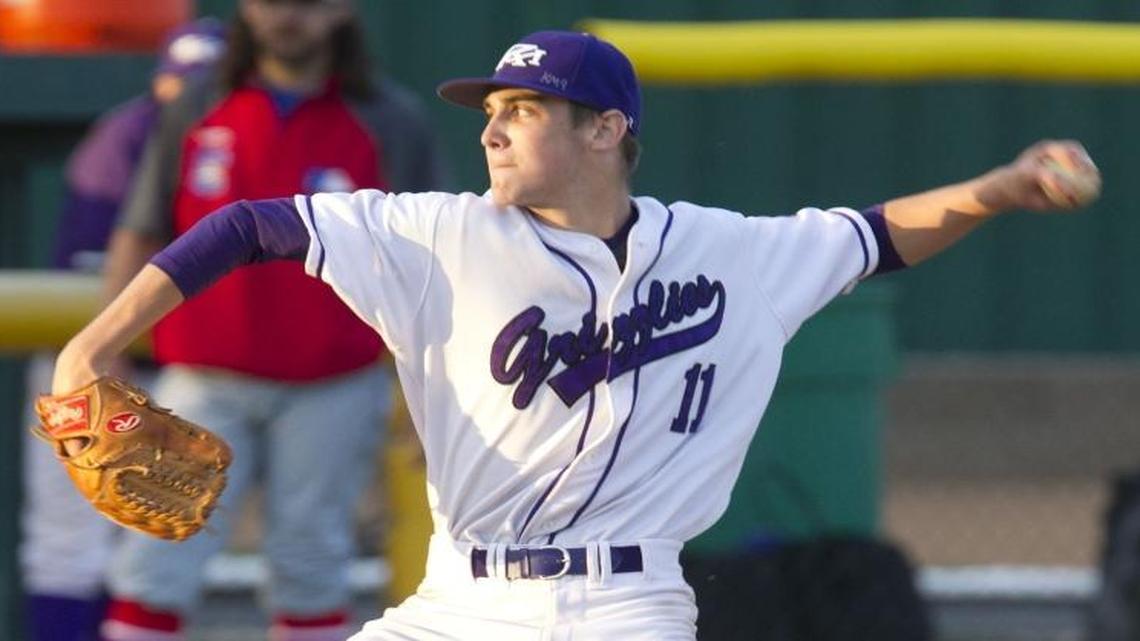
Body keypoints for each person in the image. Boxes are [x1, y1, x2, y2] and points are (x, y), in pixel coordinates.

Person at [49, 29, 1100, 641]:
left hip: (622, 602)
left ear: (606, 130)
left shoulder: (731, 251)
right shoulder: (436, 233)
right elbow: (246, 224)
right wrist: (89, 348)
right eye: (490, 106)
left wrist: (999, 188)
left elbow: (880, 235)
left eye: (524, 106)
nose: (492, 124)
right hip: (455, 597)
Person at [93, 1, 447, 640]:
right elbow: (140, 229)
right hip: (201, 377)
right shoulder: (196, 105)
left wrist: (431, 396)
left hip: (333, 381)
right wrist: (106, 355)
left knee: (313, 566)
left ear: (341, 9)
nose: (290, 16)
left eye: (308, 1)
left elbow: (431, 263)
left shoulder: (390, 119)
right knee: (153, 558)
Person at [18, 19, 226, 641]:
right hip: (84, 365)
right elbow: (90, 276)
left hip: (183, 369)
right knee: (66, 538)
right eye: (176, 82)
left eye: (200, 85)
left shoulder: (232, 136)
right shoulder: (126, 134)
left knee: (151, 537)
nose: (182, 98)